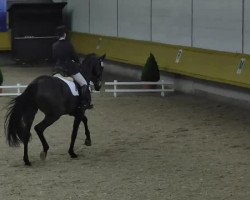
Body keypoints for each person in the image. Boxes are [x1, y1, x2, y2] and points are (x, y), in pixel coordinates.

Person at [52, 25, 92, 109]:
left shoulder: (54, 45)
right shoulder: (68, 44)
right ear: (65, 34)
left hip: (57, 68)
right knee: (84, 83)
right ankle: (84, 103)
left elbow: (54, 57)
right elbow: (74, 56)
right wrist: (77, 62)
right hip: (69, 68)